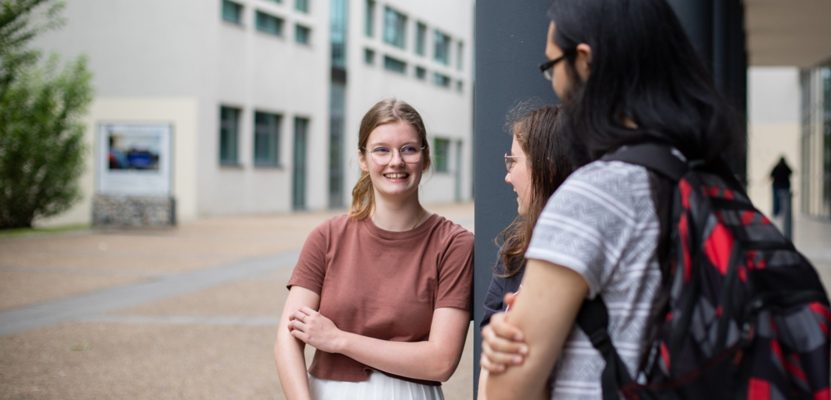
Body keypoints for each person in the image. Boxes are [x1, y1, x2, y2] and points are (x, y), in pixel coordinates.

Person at [483, 1, 738, 398]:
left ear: (583, 61)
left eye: (552, 66)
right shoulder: (713, 183)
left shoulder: (593, 196)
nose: (553, 83)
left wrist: (505, 352)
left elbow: (506, 393)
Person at [274, 98, 474, 400]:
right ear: (363, 160)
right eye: (382, 150)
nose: (396, 161)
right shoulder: (327, 237)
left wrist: (339, 340)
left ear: (425, 157)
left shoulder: (454, 245)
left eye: (408, 149)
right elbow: (286, 341)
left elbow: (441, 361)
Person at [477, 104, 586, 399]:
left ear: (546, 165)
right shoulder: (513, 254)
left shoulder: (584, 256)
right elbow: (491, 360)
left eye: (513, 162)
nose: (507, 177)